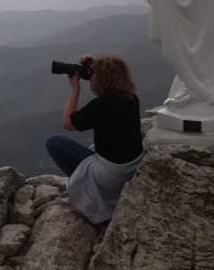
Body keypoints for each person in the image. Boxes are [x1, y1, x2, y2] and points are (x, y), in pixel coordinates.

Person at [46, 54, 144, 223]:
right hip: (132, 169)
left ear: (103, 79)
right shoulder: (131, 98)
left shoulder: (101, 105)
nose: (90, 79)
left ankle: (89, 193)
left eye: (93, 75)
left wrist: (75, 89)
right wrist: (93, 64)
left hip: (110, 177)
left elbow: (67, 123)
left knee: (54, 142)